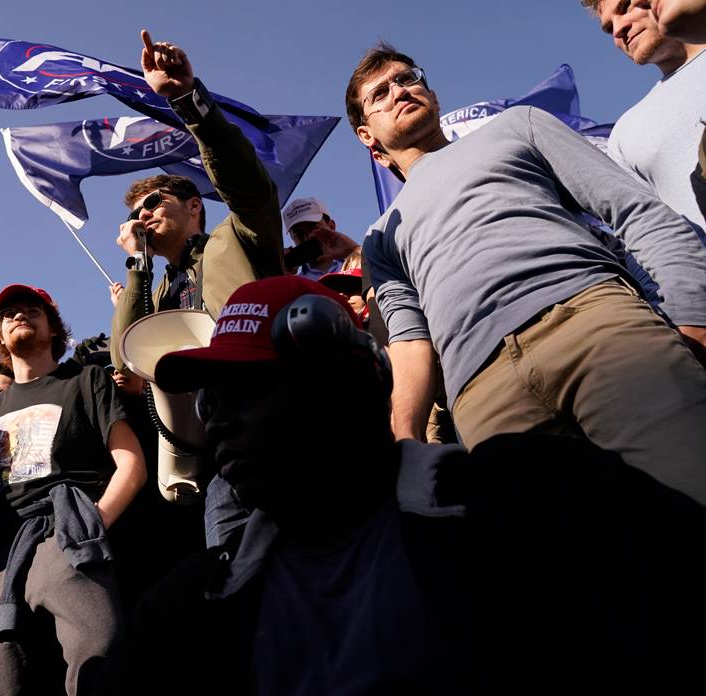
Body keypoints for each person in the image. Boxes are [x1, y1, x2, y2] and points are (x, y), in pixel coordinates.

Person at [96, 276, 706, 695]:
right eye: (208, 398)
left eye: (243, 391)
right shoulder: (192, 606)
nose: (215, 417)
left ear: (342, 386)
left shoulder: (533, 498)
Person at [346, 43, 706, 502]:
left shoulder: (519, 127)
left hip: (596, 327)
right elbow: (411, 344)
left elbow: (634, 211)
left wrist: (693, 312)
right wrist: (405, 444)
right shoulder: (379, 239)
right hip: (482, 391)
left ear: (432, 95)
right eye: (380, 93)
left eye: (407, 78)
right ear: (367, 138)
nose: (399, 90)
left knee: (690, 492)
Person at [0, 284, 146, 696]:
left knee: (97, 656)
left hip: (67, 533)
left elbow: (132, 465)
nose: (20, 316)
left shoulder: (86, 380)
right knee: (5, 678)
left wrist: (93, 521)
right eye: (10, 313)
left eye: (33, 310)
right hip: (3, 552)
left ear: (53, 328)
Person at [109, 30, 285, 369]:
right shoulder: (155, 292)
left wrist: (187, 99)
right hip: (204, 418)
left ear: (194, 205)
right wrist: (138, 264)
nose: (141, 218)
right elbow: (124, 357)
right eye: (134, 216)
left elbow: (246, 182)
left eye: (152, 203)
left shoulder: (237, 237)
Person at [582, 0, 706, 246]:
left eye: (625, 7)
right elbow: (647, 235)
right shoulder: (625, 133)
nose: (618, 29)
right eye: (609, 28)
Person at [281, 197, 361, 281]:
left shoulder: (356, 265)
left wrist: (354, 250)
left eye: (313, 228)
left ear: (331, 226)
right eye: (299, 234)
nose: (308, 237)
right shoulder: (293, 284)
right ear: (292, 238)